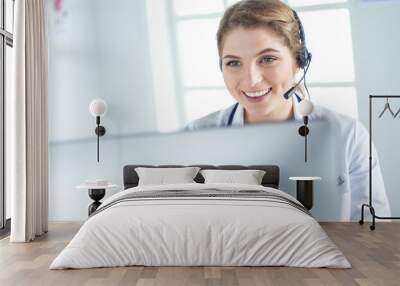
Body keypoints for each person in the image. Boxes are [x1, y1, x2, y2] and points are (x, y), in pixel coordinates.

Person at [185, 0, 390, 221]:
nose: (252, 80)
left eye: (268, 59)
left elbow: (373, 230)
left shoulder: (347, 135)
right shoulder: (194, 136)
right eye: (234, 63)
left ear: (298, 61)